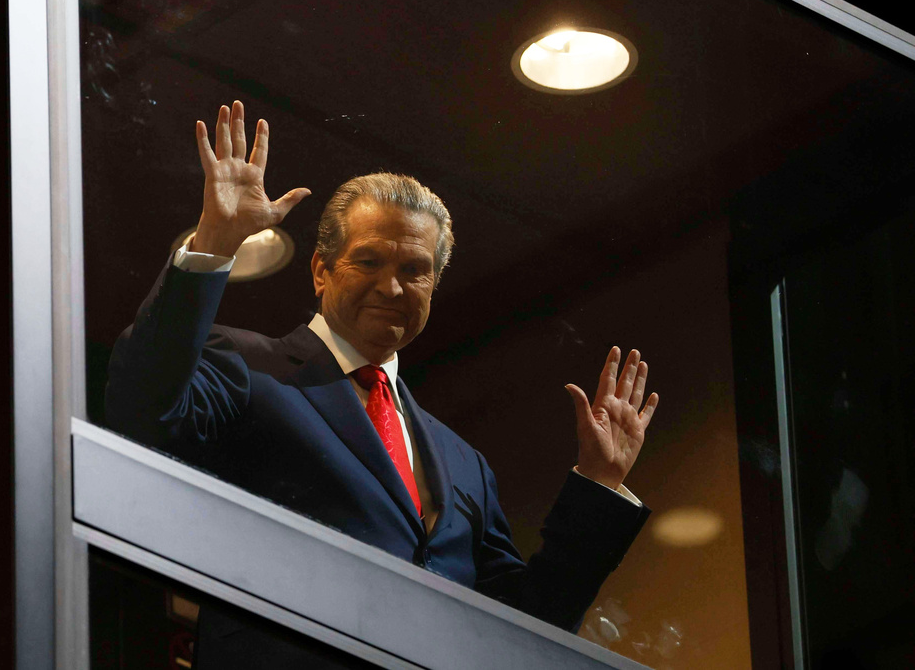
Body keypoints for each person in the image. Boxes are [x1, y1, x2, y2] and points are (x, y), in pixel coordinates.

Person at [106, 101, 659, 666]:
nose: (391, 288)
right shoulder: (248, 367)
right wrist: (213, 242)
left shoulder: (464, 463)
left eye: (414, 271)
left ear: (433, 286)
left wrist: (599, 485)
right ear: (321, 270)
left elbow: (522, 629)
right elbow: (142, 407)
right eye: (368, 262)